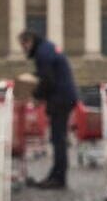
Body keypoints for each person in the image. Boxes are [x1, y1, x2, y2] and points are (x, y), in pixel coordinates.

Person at [18, 30, 78, 189]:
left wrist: (37, 96)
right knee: (58, 138)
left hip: (60, 98)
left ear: (29, 41)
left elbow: (47, 79)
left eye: (23, 45)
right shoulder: (47, 48)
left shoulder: (42, 53)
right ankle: (56, 174)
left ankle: (58, 178)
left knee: (58, 139)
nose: (23, 50)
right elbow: (46, 75)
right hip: (64, 96)